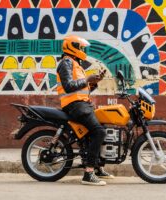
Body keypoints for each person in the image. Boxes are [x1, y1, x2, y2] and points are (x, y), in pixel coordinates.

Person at [56, 35, 114, 186]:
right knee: (99, 132)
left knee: (101, 128)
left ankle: (97, 167)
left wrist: (94, 83)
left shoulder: (75, 64)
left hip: (81, 103)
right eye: (80, 47)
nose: (82, 50)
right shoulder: (66, 62)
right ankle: (88, 174)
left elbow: (81, 89)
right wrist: (88, 79)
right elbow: (69, 86)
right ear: (72, 47)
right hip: (74, 105)